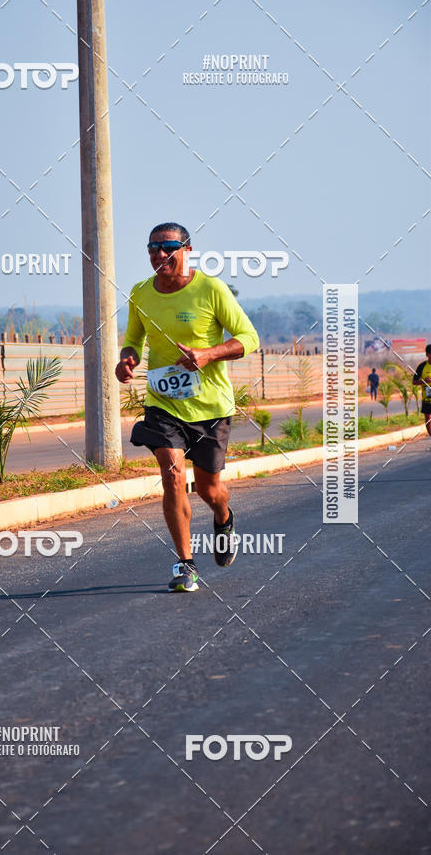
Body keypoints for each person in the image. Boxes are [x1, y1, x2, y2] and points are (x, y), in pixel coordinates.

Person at [115, 222, 259, 592]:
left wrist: (209, 354)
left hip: (210, 406)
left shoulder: (212, 289)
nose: (159, 255)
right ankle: (185, 563)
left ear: (188, 250)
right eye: (152, 248)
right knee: (173, 475)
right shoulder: (140, 293)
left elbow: (249, 338)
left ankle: (224, 517)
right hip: (163, 403)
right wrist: (127, 359)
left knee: (210, 489)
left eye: (168, 248)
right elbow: (133, 338)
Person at [413, 343, 431, 441]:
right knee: (428, 420)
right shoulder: (422, 366)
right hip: (427, 398)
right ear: (427, 355)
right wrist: (424, 381)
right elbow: (414, 381)